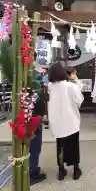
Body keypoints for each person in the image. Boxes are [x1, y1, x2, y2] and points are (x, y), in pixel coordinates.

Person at [48, 62, 84, 181]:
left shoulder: (50, 86)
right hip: (71, 120)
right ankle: (76, 170)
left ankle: (61, 170)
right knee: (73, 146)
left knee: (60, 146)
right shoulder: (70, 86)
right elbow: (79, 99)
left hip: (57, 122)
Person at [29, 52, 47, 185]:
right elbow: (39, 98)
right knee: (35, 145)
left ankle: (30, 169)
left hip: (25, 113)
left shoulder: (19, 73)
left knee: (29, 144)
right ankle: (32, 172)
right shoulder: (35, 75)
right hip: (33, 115)